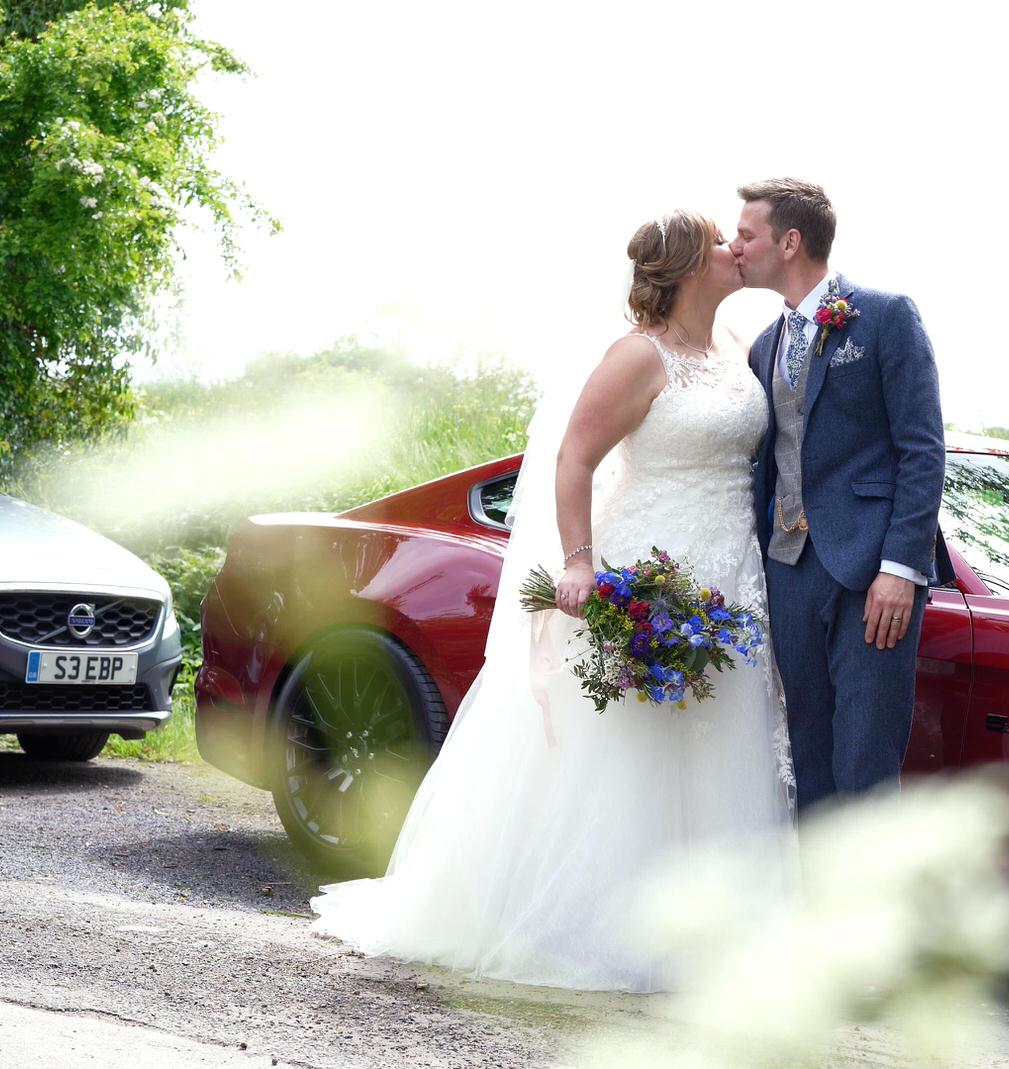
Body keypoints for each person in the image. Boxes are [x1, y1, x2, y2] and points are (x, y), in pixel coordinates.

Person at [310, 210, 797, 992]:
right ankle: (602, 930)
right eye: (718, 241)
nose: (733, 249)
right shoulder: (637, 356)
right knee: (629, 753)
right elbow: (574, 458)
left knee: (719, 748)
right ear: (684, 267)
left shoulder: (737, 348)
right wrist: (579, 562)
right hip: (650, 569)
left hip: (731, 576)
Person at [731, 178, 945, 812]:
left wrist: (901, 569)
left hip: (872, 575)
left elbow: (922, 449)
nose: (735, 246)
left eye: (746, 235)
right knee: (809, 762)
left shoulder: (885, 317)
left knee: (865, 765)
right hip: (788, 570)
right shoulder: (764, 347)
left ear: (789, 242)